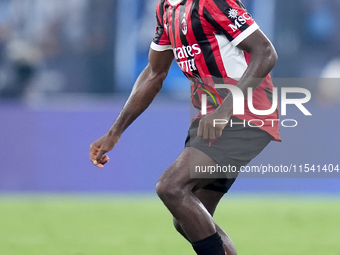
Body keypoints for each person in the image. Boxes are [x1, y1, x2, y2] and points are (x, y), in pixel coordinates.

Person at [89, 0, 281, 254]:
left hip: (242, 114)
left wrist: (225, 109)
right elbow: (154, 73)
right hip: (210, 119)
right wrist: (115, 131)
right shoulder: (165, 9)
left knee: (171, 186)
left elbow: (266, 52)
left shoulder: (211, 3)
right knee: (188, 219)